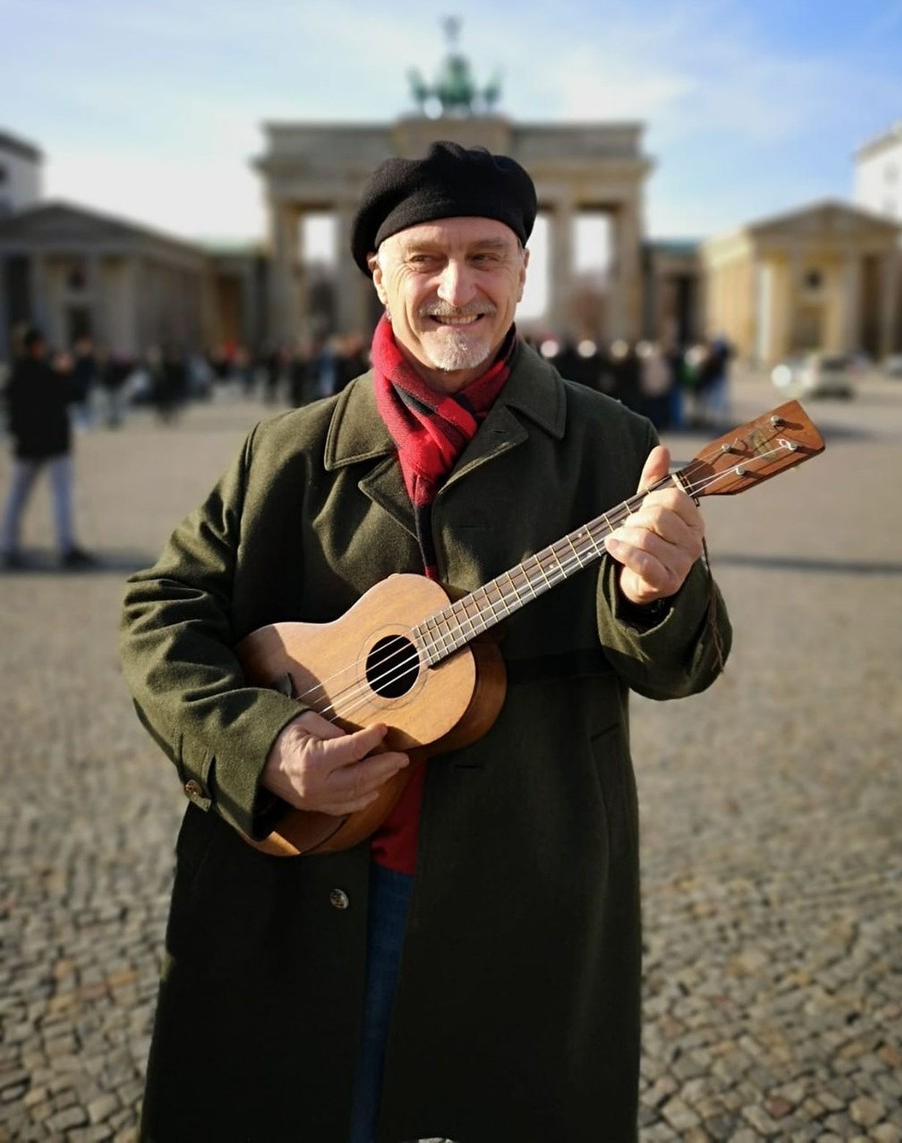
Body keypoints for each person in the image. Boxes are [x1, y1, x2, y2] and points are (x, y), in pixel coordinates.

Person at [120, 140, 732, 1143]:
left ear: (526, 268)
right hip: (300, 889)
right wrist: (264, 742)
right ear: (376, 272)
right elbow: (160, 611)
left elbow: (687, 666)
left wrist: (658, 594)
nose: (459, 287)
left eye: (488, 256)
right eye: (426, 258)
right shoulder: (284, 450)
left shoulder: (615, 447)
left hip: (520, 896)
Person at [1, 325, 93, 570]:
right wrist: (66, 372)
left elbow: (13, 412)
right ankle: (65, 547)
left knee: (17, 496)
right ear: (36, 346)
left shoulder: (15, 374)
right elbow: (73, 394)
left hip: (27, 446)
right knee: (60, 495)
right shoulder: (45, 373)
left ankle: (7, 545)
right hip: (53, 444)